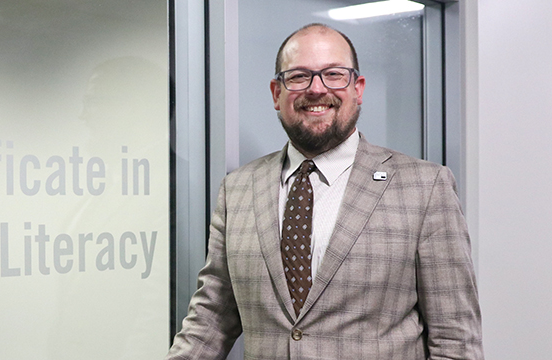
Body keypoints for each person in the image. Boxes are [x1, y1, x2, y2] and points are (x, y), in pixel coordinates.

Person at [166, 23, 483, 360]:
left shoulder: (424, 188)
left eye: (334, 74)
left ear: (358, 88)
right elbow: (211, 318)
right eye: (299, 76)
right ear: (276, 93)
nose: (316, 89)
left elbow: (455, 341)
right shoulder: (239, 188)